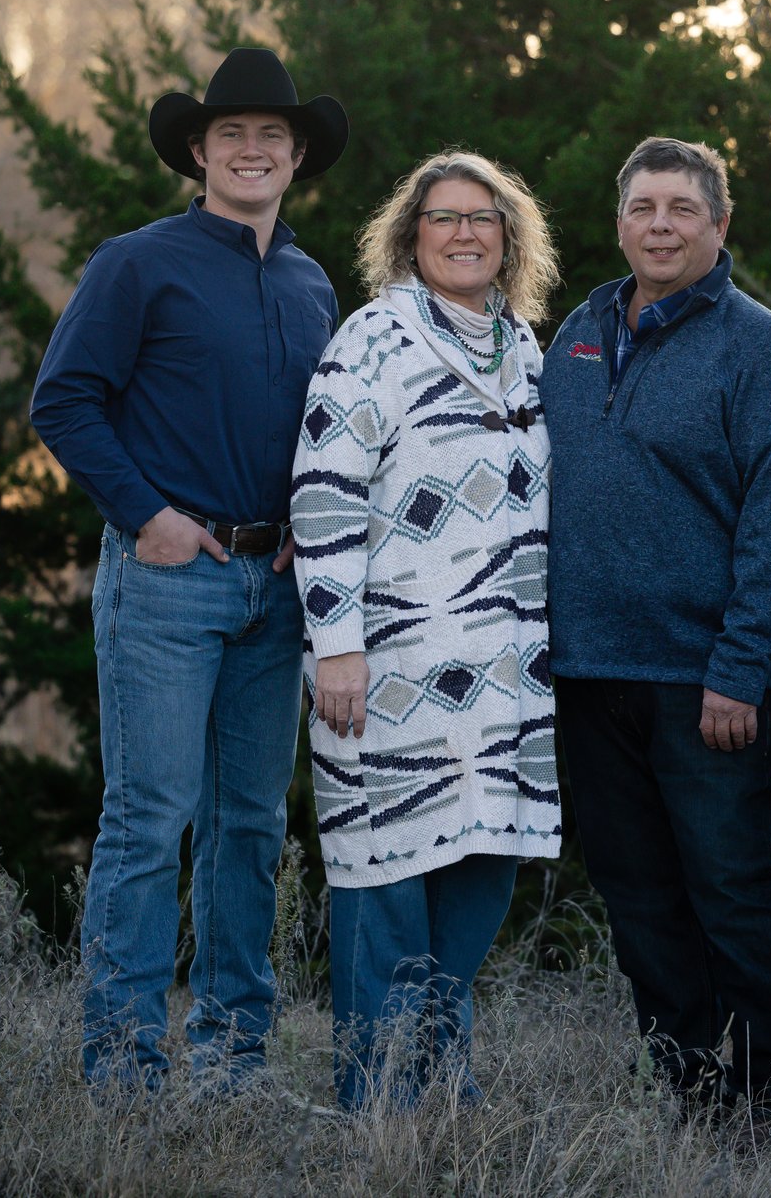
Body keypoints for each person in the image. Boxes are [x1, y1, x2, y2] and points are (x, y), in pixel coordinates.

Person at [29, 47, 347, 1094]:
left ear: (295, 156)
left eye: (271, 135)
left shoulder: (310, 282)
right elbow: (63, 399)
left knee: (248, 825)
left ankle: (231, 1056)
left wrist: (308, 521)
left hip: (276, 589)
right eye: (231, 134)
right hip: (168, 579)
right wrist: (146, 514)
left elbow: (325, 430)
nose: (252, 150)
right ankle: (123, 1065)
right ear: (199, 154)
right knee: (148, 817)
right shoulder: (138, 263)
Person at [542, 136, 771, 1116]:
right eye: (643, 207)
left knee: (735, 891)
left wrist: (739, 670)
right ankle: (696, 1092)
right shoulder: (577, 333)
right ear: (619, 222)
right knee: (637, 897)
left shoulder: (761, 350)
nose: (659, 225)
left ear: (719, 223)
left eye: (681, 208)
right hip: (587, 671)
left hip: (705, 681)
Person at [290, 151, 564, 1111]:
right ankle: (377, 1100)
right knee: (386, 877)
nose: (464, 233)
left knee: (482, 864)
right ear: (411, 237)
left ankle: (443, 1082)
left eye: (482, 218)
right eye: (443, 217)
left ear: (510, 239)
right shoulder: (371, 342)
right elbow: (323, 498)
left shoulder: (525, 349)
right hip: (389, 666)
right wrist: (337, 646)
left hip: (503, 673)